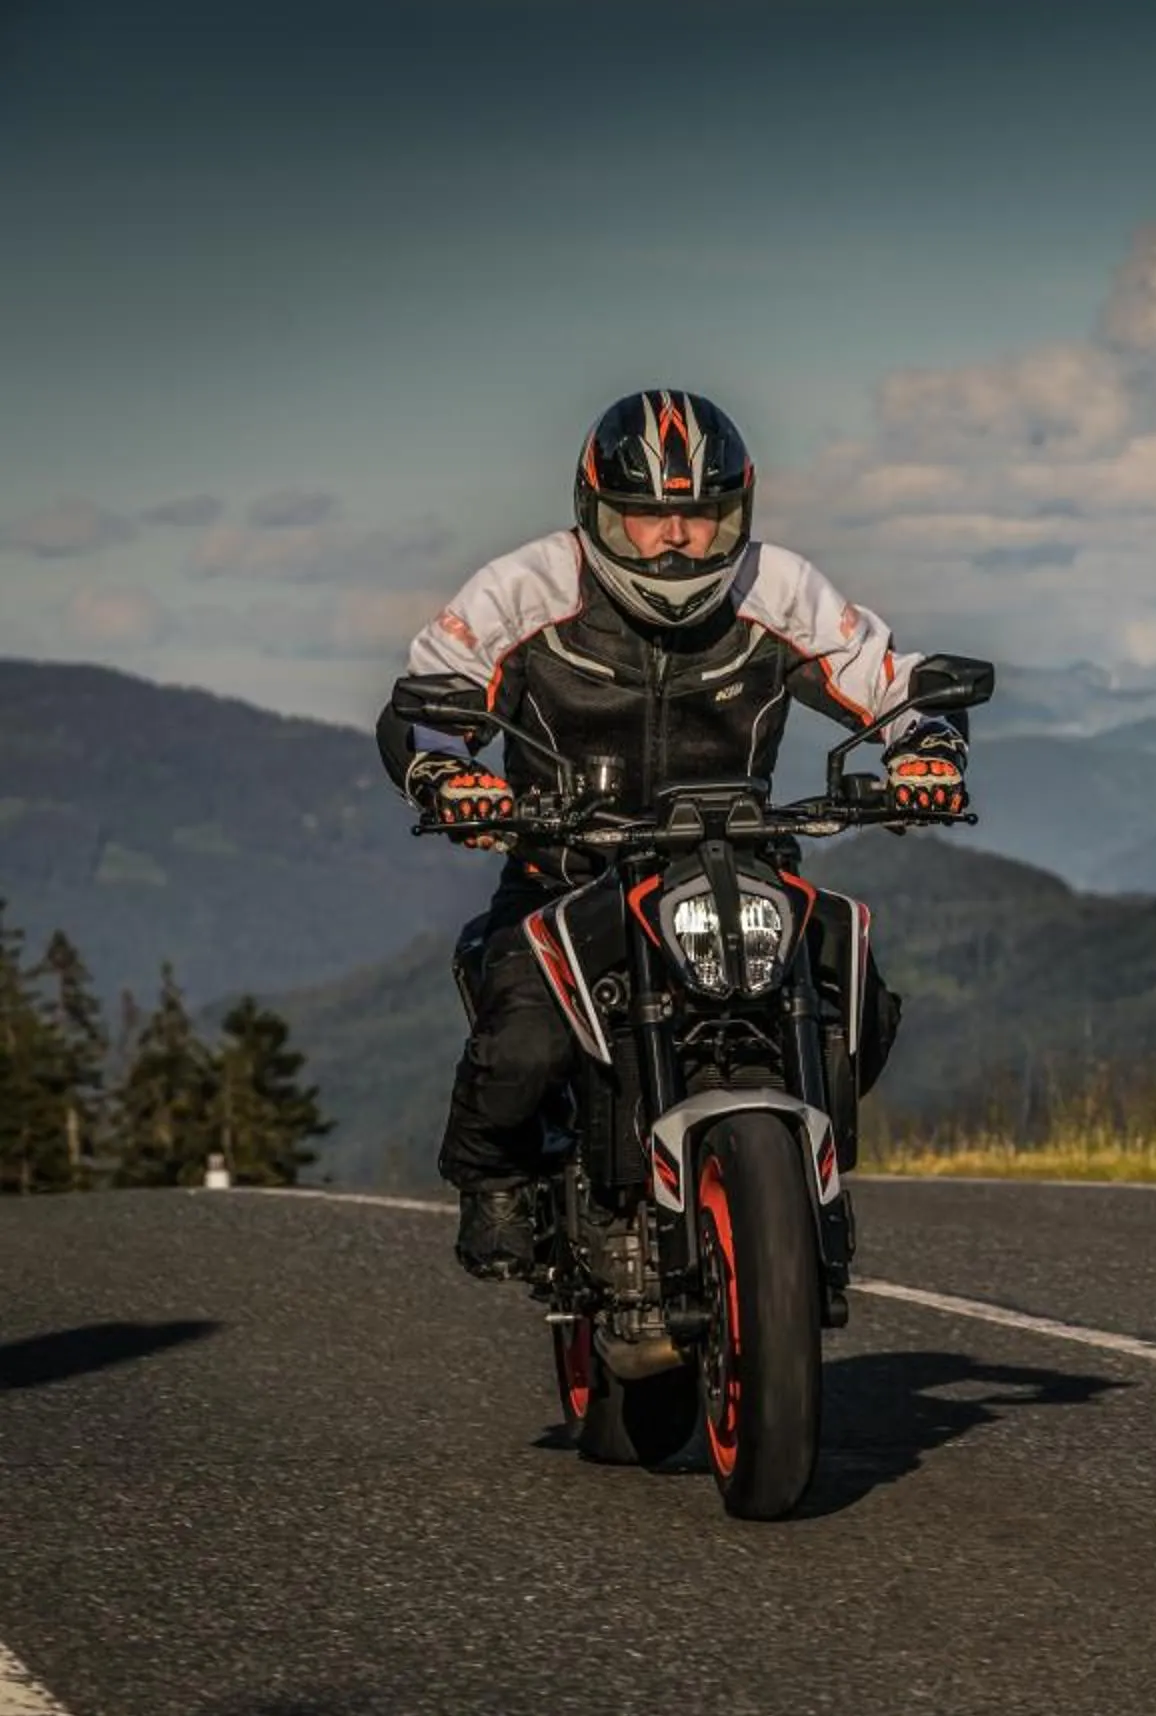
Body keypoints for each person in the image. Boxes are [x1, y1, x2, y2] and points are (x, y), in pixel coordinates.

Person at [375, 388, 970, 1281]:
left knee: (861, 998)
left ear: (739, 510)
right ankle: (492, 1179)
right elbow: (433, 694)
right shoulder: (524, 588)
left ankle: (802, 1186)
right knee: (524, 1040)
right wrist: (448, 774)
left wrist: (926, 751)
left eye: (701, 513)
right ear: (595, 512)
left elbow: (887, 678)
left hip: (743, 859)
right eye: (645, 516)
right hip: (568, 871)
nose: (676, 538)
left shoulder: (778, 585)